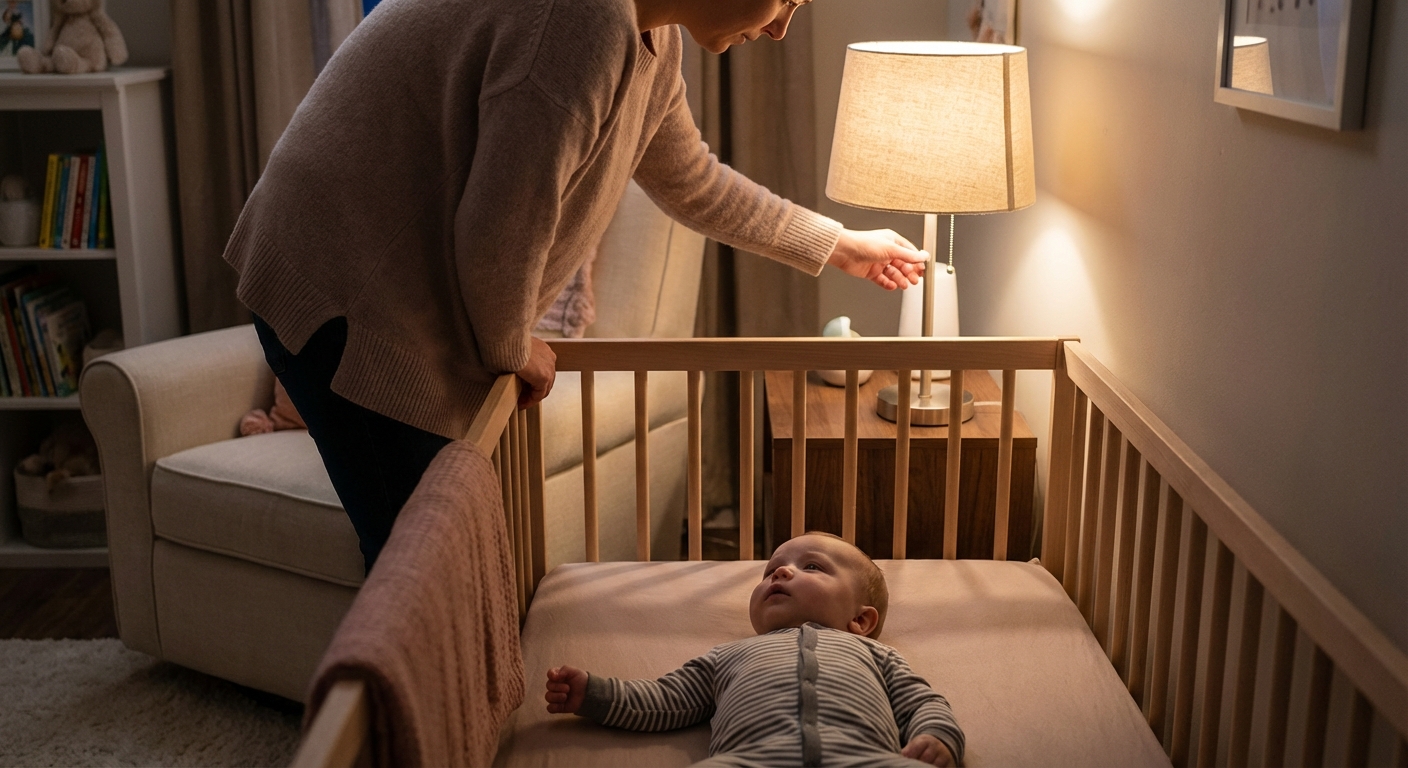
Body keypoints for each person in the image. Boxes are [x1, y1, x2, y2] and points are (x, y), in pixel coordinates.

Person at [225, 0, 928, 573]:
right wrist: (510, 348)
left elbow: (694, 183)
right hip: (340, 285)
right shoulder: (579, 22)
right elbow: (497, 236)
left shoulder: (648, 36)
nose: (781, 26)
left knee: (438, 561)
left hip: (395, 287)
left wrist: (839, 244)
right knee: (424, 573)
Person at [544, 532, 965, 767]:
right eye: (770, 571)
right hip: (751, 759)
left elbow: (923, 702)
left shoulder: (877, 656)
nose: (780, 570)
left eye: (811, 566)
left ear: (861, 621)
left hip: (864, 758)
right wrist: (594, 694)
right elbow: (665, 699)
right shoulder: (728, 657)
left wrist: (936, 737)